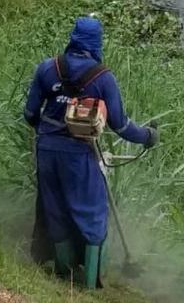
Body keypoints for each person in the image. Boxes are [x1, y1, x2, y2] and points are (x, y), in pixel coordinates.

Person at [24, 16, 158, 288]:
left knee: (55, 209)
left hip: (47, 150)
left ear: (73, 38)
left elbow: (29, 114)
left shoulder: (48, 68)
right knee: (92, 213)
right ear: (97, 43)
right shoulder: (102, 78)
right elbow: (120, 125)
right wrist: (148, 136)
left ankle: (62, 271)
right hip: (80, 155)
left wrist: (48, 133)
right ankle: (90, 281)